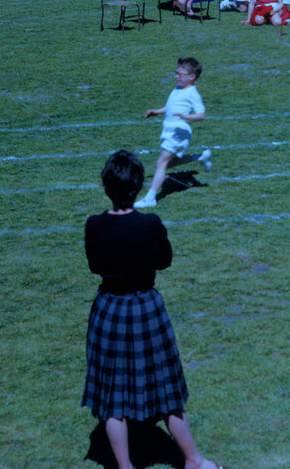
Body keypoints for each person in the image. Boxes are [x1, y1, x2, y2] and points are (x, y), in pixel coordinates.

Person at [83, 150, 229, 469]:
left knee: (113, 396)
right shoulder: (149, 224)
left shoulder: (94, 225)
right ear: (137, 187)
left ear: (107, 187)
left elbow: (95, 265)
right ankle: (194, 461)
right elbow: (164, 260)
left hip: (109, 308)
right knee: (166, 389)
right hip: (146, 308)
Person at [135, 58, 211, 209]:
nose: (177, 76)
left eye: (181, 74)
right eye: (176, 73)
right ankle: (200, 157)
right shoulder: (178, 89)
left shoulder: (192, 93)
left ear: (192, 77)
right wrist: (156, 111)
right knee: (168, 164)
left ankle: (150, 198)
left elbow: (201, 115)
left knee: (161, 163)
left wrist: (186, 117)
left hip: (178, 133)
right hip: (169, 131)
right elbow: (170, 106)